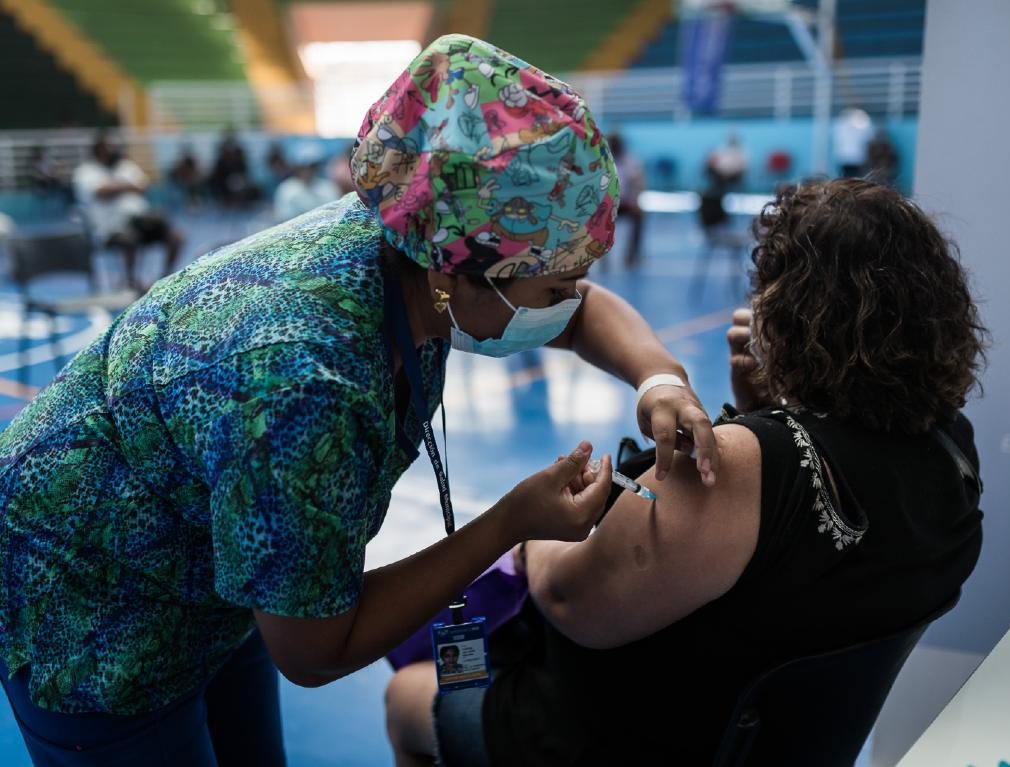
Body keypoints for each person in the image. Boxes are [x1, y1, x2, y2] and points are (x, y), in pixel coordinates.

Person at [0, 35, 718, 766]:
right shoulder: (306, 383)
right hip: (91, 603)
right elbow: (315, 649)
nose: (567, 304)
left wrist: (658, 377)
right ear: (454, 273)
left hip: (215, 571)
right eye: (553, 289)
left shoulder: (410, 238)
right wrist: (511, 521)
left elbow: (577, 307)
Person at [385, 178, 987, 766]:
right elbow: (803, 561)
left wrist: (531, 532)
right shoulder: (951, 454)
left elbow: (570, 600)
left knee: (406, 696)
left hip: (618, 737)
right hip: (775, 742)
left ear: (789, 316)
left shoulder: (733, 469)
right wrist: (765, 409)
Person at [72, 132, 183, 290]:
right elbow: (101, 192)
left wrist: (117, 187)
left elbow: (143, 186)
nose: (115, 150)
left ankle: (165, 280)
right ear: (99, 150)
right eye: (110, 147)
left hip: (140, 221)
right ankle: (130, 282)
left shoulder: (126, 166)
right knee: (129, 239)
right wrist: (127, 186)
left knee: (176, 236)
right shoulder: (86, 171)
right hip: (110, 229)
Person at [606, 133, 645, 268]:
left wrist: (635, 201)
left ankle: (631, 255)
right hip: (608, 204)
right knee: (600, 218)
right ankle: (602, 255)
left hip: (626, 202)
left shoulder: (630, 160)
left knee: (639, 216)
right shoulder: (602, 160)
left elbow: (638, 182)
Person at [272, 142, 338, 222]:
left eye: (313, 166)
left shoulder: (327, 187)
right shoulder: (286, 190)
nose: (308, 170)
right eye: (304, 166)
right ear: (297, 167)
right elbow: (284, 220)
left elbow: (335, 214)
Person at [833, 108, 874, 178]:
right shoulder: (843, 122)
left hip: (855, 158)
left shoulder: (863, 122)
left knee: (853, 180)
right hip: (847, 158)